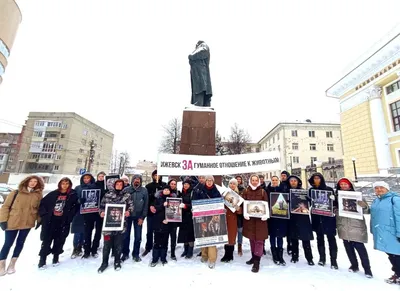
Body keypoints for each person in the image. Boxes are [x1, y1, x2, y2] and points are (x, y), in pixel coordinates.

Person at [0, 175, 44, 275]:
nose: (33, 183)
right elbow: (5, 207)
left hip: (27, 223)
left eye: (35, 182)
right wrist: (2, 220)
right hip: (13, 222)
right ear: (26, 182)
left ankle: (12, 265)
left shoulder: (38, 195)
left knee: (20, 243)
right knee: (8, 244)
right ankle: (1, 265)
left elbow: (38, 209)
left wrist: (39, 220)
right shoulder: (15, 193)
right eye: (31, 181)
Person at [38, 177, 79, 269]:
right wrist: (44, 215)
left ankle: (56, 257)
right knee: (46, 240)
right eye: (63, 183)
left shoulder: (72, 195)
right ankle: (42, 260)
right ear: (60, 184)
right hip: (51, 221)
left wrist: (70, 217)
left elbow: (75, 207)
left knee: (59, 240)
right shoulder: (53, 194)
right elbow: (42, 204)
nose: (65, 185)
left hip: (63, 222)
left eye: (67, 184)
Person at [336, 178, 372, 278]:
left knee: (360, 248)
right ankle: (354, 265)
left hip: (356, 226)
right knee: (348, 248)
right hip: (343, 225)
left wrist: (364, 206)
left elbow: (366, 211)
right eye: (341, 184)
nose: (343, 186)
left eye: (345, 184)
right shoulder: (337, 197)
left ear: (350, 185)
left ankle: (367, 269)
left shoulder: (357, 196)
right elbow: (335, 209)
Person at [98, 179, 133, 273]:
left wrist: (128, 212)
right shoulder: (107, 195)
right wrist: (101, 212)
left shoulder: (127, 195)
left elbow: (131, 206)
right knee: (107, 244)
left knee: (118, 243)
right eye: (117, 184)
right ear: (114, 185)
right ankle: (104, 262)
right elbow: (101, 206)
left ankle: (117, 261)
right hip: (108, 224)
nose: (119, 185)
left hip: (121, 224)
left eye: (121, 184)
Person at [370, 181, 400, 284]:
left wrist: (399, 233)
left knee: (397, 255)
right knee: (391, 254)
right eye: (376, 188)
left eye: (381, 187)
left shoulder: (394, 199)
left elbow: (399, 217)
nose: (379, 190)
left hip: (393, 232)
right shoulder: (376, 201)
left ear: (387, 188)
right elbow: (373, 215)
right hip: (382, 232)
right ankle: (397, 273)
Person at [308, 172, 338, 269]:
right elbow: (309, 202)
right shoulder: (311, 190)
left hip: (328, 218)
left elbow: (334, 203)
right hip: (317, 217)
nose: (316, 180)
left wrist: (333, 201)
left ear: (321, 179)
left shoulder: (328, 189)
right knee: (319, 238)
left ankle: (333, 261)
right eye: (314, 178)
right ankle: (322, 258)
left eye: (318, 178)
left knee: (331, 239)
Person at [192, 175, 221, 269]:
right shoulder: (199, 190)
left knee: (212, 238)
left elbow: (219, 204)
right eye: (207, 180)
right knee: (203, 236)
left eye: (211, 180)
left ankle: (212, 259)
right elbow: (194, 201)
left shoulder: (216, 192)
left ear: (213, 181)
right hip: (202, 217)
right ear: (205, 181)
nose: (209, 182)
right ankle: (204, 256)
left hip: (212, 218)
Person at [242, 174, 269, 273]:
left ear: (258, 181)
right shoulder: (245, 191)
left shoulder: (262, 191)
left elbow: (266, 203)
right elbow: (243, 203)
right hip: (250, 220)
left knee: (259, 240)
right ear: (250, 181)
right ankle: (253, 257)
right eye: (252, 180)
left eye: (256, 180)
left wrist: (265, 214)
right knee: (252, 239)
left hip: (260, 220)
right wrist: (245, 213)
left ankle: (257, 261)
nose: (254, 182)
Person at [74, 173, 102, 258]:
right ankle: (86, 250)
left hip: (97, 212)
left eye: (88, 178)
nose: (86, 180)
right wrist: (79, 201)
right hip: (86, 213)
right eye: (85, 178)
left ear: (91, 179)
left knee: (98, 232)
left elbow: (101, 197)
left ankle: (94, 249)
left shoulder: (96, 187)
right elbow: (74, 199)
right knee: (87, 232)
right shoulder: (78, 188)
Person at [288, 176, 314, 265]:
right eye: (291, 181)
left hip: (303, 218)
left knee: (305, 239)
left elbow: (310, 204)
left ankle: (309, 258)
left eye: (295, 181)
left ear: (298, 182)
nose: (293, 182)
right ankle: (295, 257)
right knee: (294, 239)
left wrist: (309, 200)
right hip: (292, 218)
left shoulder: (303, 192)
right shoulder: (288, 191)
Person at [121, 174, 148, 262]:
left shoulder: (144, 190)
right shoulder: (126, 190)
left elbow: (145, 205)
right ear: (132, 180)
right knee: (125, 236)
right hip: (127, 217)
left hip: (138, 217)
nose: (137, 181)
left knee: (138, 237)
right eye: (135, 179)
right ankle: (125, 253)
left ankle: (135, 254)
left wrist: (142, 217)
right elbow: (121, 202)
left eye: (138, 179)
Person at [150, 186, 176, 267]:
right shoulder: (157, 198)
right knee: (157, 242)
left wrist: (169, 219)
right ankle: (155, 258)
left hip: (167, 224)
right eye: (165, 189)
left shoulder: (173, 200)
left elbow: (175, 212)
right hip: (157, 224)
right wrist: (162, 205)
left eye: (168, 190)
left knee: (165, 242)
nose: (166, 191)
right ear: (162, 191)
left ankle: (163, 258)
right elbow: (155, 209)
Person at [143, 170, 166, 257]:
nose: (157, 177)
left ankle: (160, 246)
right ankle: (148, 247)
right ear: (153, 176)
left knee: (160, 231)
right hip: (151, 212)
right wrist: (150, 206)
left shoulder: (164, 185)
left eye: (158, 175)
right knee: (149, 230)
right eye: (155, 175)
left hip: (161, 212)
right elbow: (147, 199)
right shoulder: (148, 186)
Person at [267, 175, 288, 265]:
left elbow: (287, 200)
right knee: (272, 236)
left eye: (276, 180)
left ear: (278, 181)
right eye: (273, 180)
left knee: (280, 236)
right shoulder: (268, 190)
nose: (274, 181)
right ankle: (274, 254)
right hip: (271, 217)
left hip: (281, 217)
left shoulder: (283, 189)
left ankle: (280, 255)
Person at [221, 178, 241, 263]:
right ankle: (226, 254)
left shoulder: (238, 196)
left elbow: (240, 211)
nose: (232, 185)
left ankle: (230, 255)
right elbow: (220, 204)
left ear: (236, 185)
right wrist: (222, 209)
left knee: (232, 237)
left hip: (233, 219)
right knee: (226, 237)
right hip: (225, 218)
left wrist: (238, 208)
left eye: (234, 184)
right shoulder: (225, 194)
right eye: (231, 183)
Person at [177, 179, 195, 259]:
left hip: (190, 216)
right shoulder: (180, 193)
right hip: (183, 216)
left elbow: (194, 204)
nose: (186, 185)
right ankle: (185, 249)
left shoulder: (192, 193)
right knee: (184, 233)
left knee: (190, 234)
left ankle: (190, 250)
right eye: (185, 184)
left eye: (187, 184)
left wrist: (185, 206)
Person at [167, 179, 179, 260]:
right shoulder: (165, 191)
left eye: (175, 184)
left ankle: (173, 253)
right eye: (172, 183)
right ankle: (163, 251)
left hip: (174, 218)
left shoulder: (178, 193)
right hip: (165, 218)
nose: (173, 185)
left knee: (173, 236)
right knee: (164, 236)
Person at [235, 175, 245, 257]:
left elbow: (246, 201)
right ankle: (231, 245)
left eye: (239, 179)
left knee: (240, 230)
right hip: (232, 213)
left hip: (240, 213)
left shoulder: (244, 190)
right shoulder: (231, 190)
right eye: (237, 179)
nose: (238, 180)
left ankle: (239, 246)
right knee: (231, 231)